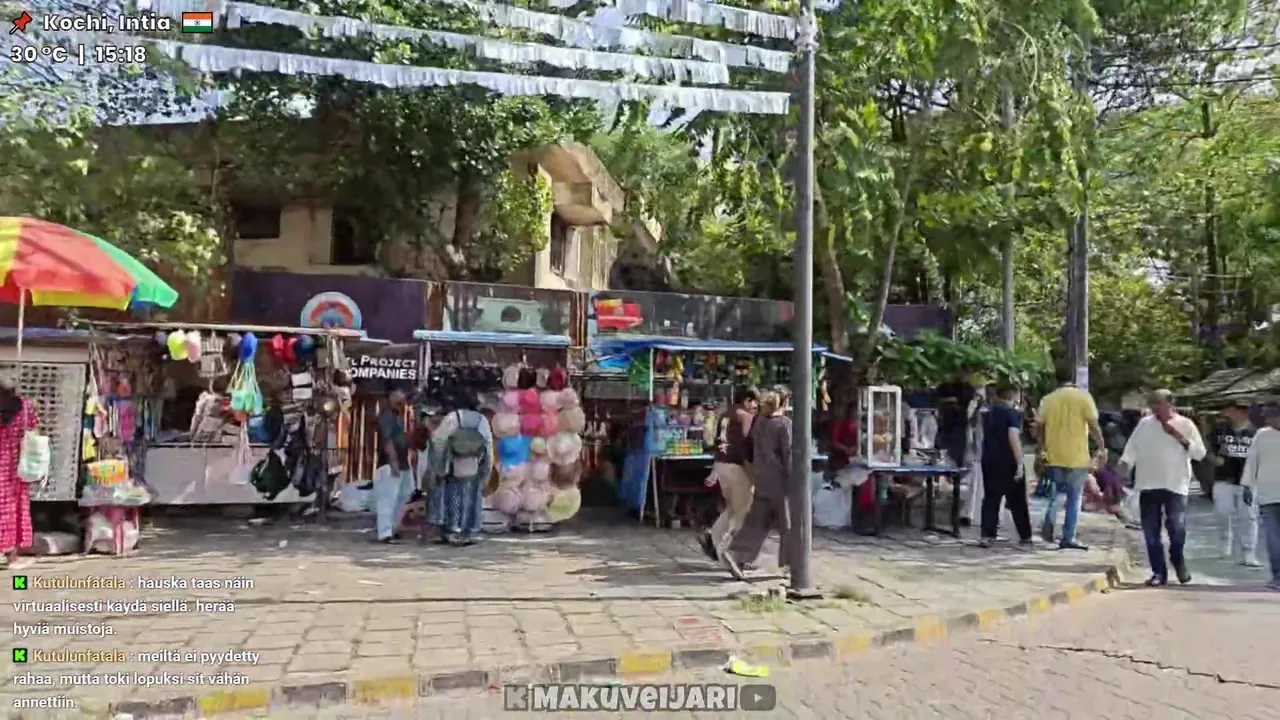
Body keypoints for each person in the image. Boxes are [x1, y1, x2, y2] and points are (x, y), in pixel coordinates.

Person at [1118, 390, 1206, 586]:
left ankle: (1177, 559)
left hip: (1176, 484)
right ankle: (1158, 572)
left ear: (1170, 404)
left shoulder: (1186, 424)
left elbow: (1200, 453)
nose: (1155, 408)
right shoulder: (1144, 424)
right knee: (1151, 532)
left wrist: (1178, 436)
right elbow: (1131, 449)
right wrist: (1123, 467)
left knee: (1177, 528)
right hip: (1148, 483)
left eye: (1159, 404)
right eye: (1153, 404)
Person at [722, 390, 792, 580]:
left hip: (762, 477)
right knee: (789, 524)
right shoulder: (784, 424)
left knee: (757, 522)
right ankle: (790, 564)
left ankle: (737, 554)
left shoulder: (759, 422)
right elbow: (788, 455)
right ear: (784, 403)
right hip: (781, 481)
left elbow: (750, 448)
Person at [1036, 367, 1105, 550]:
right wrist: (1101, 446)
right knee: (1074, 498)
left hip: (1054, 455)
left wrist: (1041, 447)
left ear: (1055, 380)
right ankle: (1068, 537)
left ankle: (1049, 523)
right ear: (1073, 379)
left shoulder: (1048, 399)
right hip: (1078, 456)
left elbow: (1039, 426)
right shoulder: (1084, 397)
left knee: (1055, 495)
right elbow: (1093, 425)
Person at [699, 387, 759, 562]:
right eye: (754, 402)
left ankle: (713, 538)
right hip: (736, 466)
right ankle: (729, 552)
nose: (755, 406)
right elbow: (747, 445)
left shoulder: (725, 415)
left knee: (733, 507)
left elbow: (717, 440)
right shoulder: (745, 416)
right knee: (744, 510)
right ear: (747, 400)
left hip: (721, 464)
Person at [428, 391, 494, 546]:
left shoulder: (453, 418)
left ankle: (452, 530)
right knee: (472, 497)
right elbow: (488, 446)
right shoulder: (481, 420)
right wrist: (486, 470)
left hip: (453, 464)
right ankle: (469, 531)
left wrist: (439, 466)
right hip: (474, 465)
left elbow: (438, 441)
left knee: (452, 496)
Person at [978, 385, 1031, 547]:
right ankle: (1025, 535)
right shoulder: (1012, 414)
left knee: (991, 498)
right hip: (1008, 460)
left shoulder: (987, 413)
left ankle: (987, 535)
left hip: (989, 459)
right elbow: (1013, 437)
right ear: (1014, 396)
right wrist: (1020, 463)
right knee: (1017, 500)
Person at [1210, 401, 1261, 566]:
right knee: (1222, 512)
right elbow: (1207, 447)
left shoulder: (1255, 433)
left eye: (1243, 410)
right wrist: (1213, 459)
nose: (1238, 413)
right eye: (1236, 409)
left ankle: (1249, 552)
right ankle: (1225, 544)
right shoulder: (1220, 430)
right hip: (1223, 478)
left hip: (1247, 481)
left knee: (1248, 517)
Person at [1240, 406, 1280, 590]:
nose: (1268, 420)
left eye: (1272, 417)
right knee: (1273, 538)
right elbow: (1252, 460)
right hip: (1268, 494)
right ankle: (1278, 576)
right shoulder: (1262, 435)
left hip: (1269, 493)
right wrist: (1247, 485)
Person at [0, 379, 37, 570]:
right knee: (15, 510)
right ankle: (12, 557)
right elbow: (33, 429)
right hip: (17, 466)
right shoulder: (25, 407)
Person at [373, 389, 413, 544]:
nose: (402, 402)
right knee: (387, 498)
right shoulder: (387, 416)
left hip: (402, 462)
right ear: (390, 397)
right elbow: (387, 441)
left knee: (404, 493)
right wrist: (394, 462)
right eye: (398, 398)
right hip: (390, 463)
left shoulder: (397, 415)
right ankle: (385, 533)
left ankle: (393, 527)